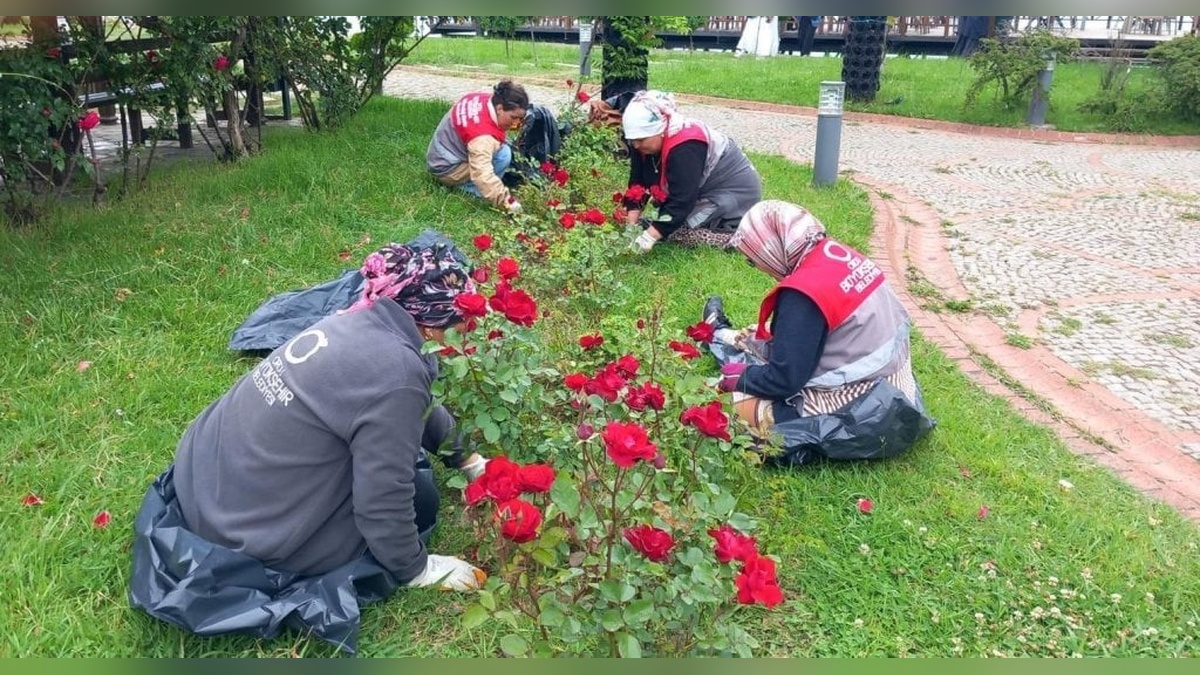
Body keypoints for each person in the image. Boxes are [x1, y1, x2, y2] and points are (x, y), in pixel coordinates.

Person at [130, 241, 491, 653]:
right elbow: (381, 500)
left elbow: (422, 404)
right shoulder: (396, 370)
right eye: (461, 325)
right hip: (246, 535)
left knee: (399, 458)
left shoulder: (364, 316)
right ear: (431, 325)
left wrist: (470, 460)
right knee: (417, 496)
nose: (465, 335)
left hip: (205, 482)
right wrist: (417, 569)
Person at [703, 200, 934, 466]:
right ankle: (719, 334)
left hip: (860, 409)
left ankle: (718, 337)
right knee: (757, 349)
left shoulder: (802, 294)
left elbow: (783, 381)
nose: (759, 268)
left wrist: (737, 378)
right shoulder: (834, 253)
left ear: (770, 250)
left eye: (753, 260)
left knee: (722, 407)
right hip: (898, 387)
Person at [620, 90, 762, 253]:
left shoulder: (685, 148)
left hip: (731, 193)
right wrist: (630, 228)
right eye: (632, 140)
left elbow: (682, 199)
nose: (636, 145)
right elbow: (637, 184)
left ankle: (735, 239)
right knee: (663, 222)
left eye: (640, 140)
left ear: (660, 130)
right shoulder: (643, 143)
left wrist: (649, 237)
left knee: (678, 231)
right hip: (698, 189)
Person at [426, 79, 529, 213]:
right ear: (499, 109)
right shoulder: (482, 139)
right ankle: (472, 190)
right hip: (447, 169)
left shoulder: (481, 99)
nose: (517, 123)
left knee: (500, 148)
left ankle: (475, 186)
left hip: (439, 156)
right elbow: (482, 174)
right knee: (504, 155)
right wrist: (508, 203)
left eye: (520, 118)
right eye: (513, 117)